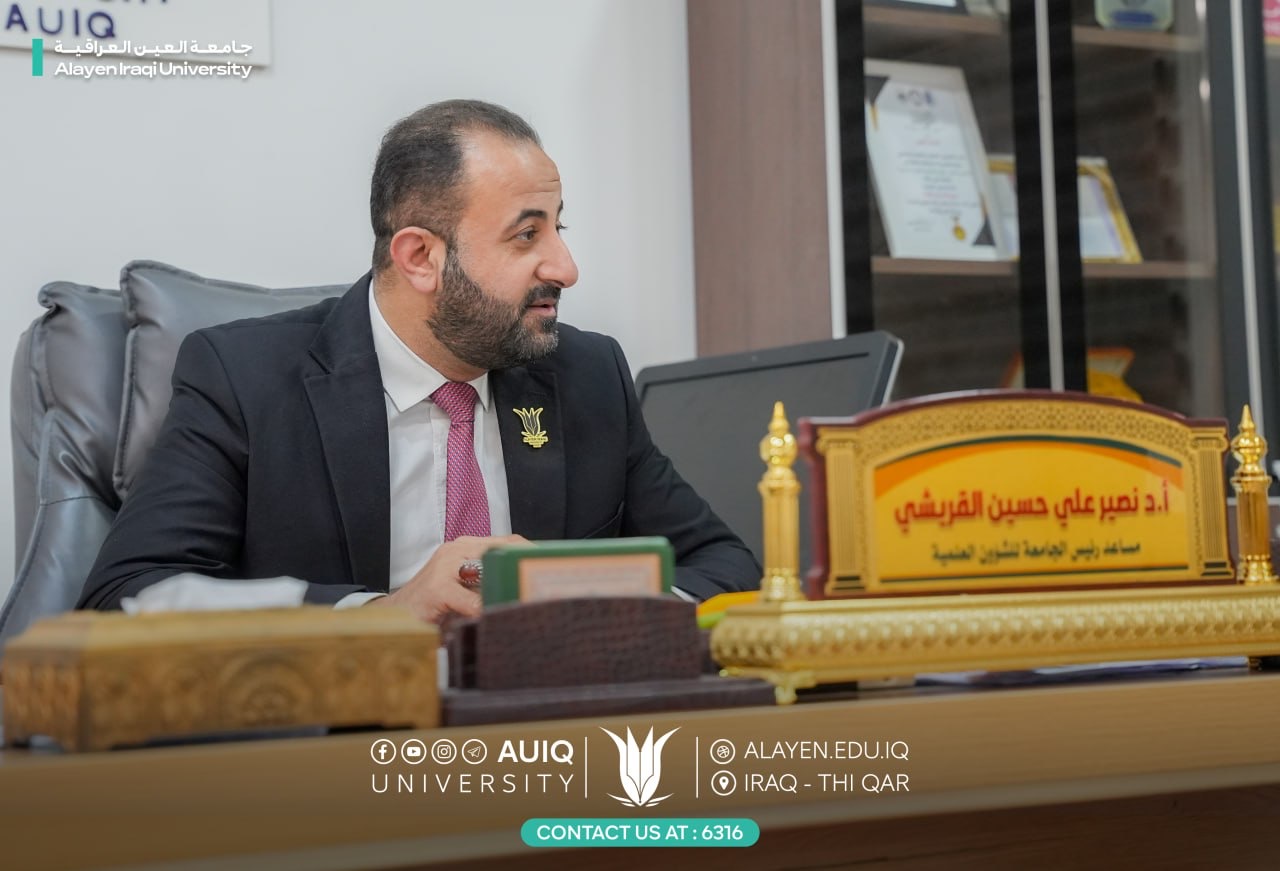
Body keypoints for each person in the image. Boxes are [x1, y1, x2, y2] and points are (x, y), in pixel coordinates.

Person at [78, 99, 760, 624]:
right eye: (527, 234)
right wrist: (381, 616)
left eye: (559, 226)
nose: (565, 267)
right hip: (343, 748)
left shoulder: (585, 375)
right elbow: (128, 595)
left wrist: (597, 614)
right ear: (420, 257)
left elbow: (723, 563)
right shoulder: (245, 379)